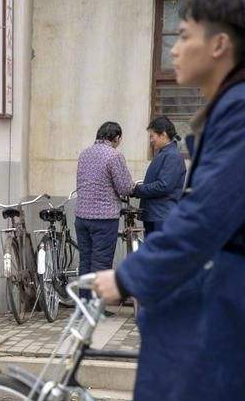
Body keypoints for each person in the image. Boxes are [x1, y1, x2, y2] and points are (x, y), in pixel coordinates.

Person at [94, 1, 245, 400]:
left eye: (183, 36)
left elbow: (204, 216)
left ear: (219, 45)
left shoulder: (239, 110)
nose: (174, 50)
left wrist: (128, 276)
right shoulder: (225, 111)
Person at [74, 121, 133, 301]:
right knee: (100, 263)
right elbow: (124, 188)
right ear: (116, 138)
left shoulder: (84, 154)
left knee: (85, 261)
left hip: (81, 216)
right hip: (104, 218)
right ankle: (95, 307)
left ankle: (83, 303)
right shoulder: (114, 156)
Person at [132, 116, 187, 236]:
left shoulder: (172, 156)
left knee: (160, 254)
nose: (151, 140)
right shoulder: (164, 154)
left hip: (162, 216)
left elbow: (163, 186)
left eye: (152, 136)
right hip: (156, 215)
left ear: (163, 134)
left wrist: (137, 190)